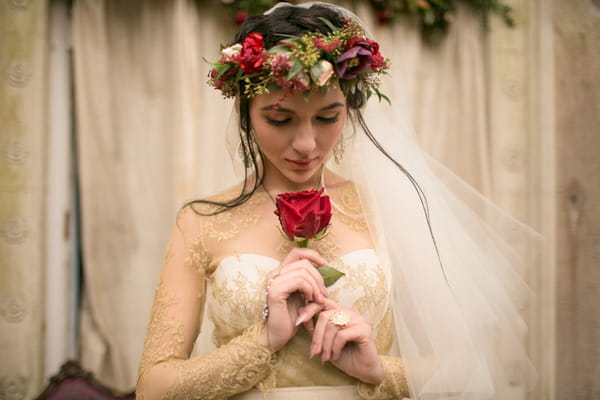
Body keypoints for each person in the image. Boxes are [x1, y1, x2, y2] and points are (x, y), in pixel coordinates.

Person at [136, 3, 537, 400]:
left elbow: (462, 369)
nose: (307, 144)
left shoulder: (388, 207)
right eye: (280, 119)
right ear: (246, 112)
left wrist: (377, 370)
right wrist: (263, 339)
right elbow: (152, 388)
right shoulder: (200, 221)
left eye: (328, 117)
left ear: (350, 110)